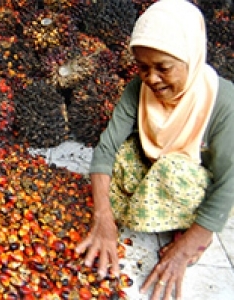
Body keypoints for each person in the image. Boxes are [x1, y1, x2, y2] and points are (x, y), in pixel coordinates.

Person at [75, 0, 234, 299]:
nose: (152, 78)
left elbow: (229, 182)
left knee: (172, 171)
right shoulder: (139, 88)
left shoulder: (222, 102)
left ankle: (193, 229)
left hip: (193, 180)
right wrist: (103, 218)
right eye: (143, 67)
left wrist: (188, 246)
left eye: (163, 68)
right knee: (123, 157)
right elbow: (106, 148)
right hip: (155, 165)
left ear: (192, 55)